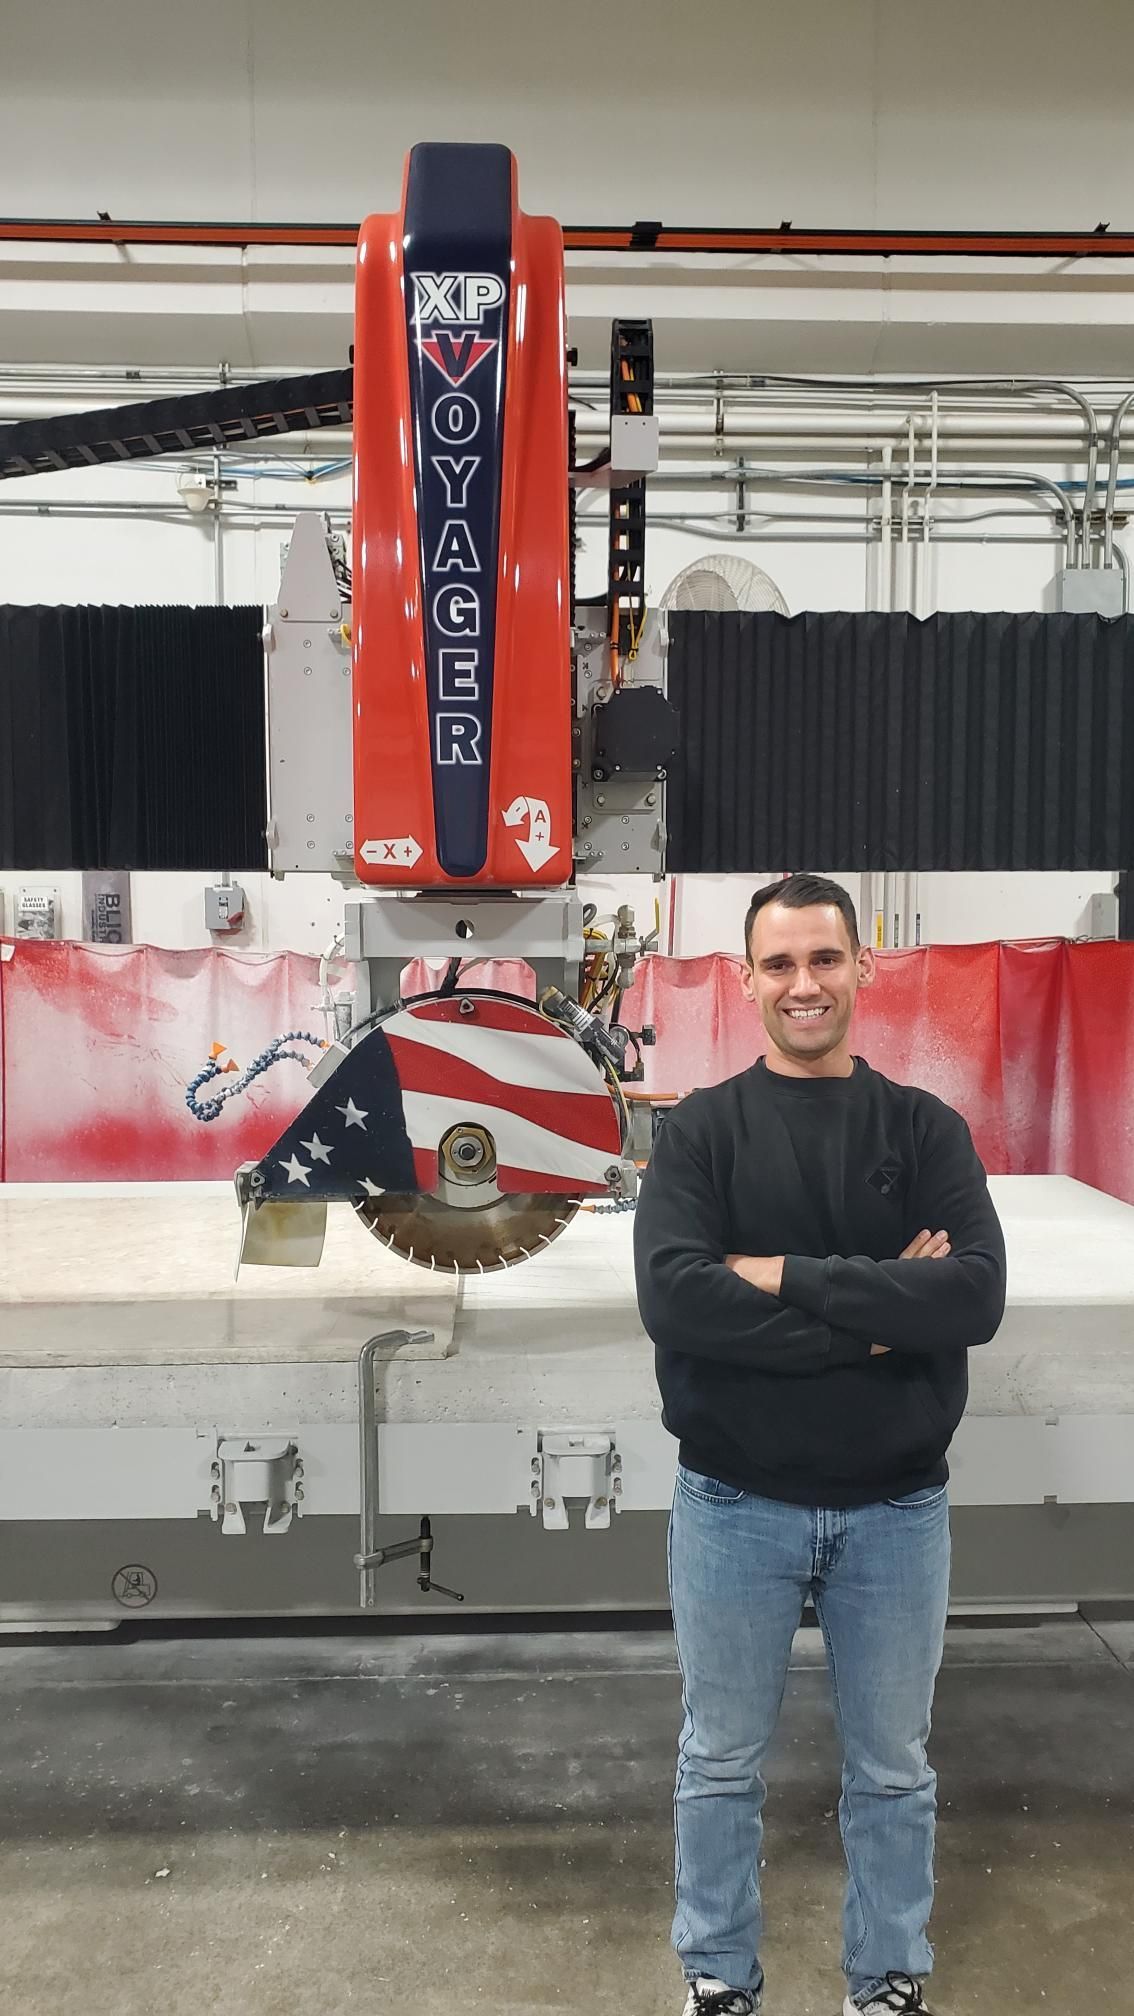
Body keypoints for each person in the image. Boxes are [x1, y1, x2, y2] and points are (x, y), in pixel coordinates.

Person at [633, 874, 1007, 2016]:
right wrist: (880, 1317)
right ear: (746, 981)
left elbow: (974, 1299)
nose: (805, 984)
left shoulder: (923, 1127)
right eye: (780, 964)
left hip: (898, 1511)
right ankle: (718, 1975)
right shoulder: (701, 1132)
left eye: (825, 960)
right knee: (720, 1764)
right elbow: (681, 1303)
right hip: (734, 1504)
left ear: (863, 969)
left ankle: (887, 1978)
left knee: (893, 1771)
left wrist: (790, 1277)